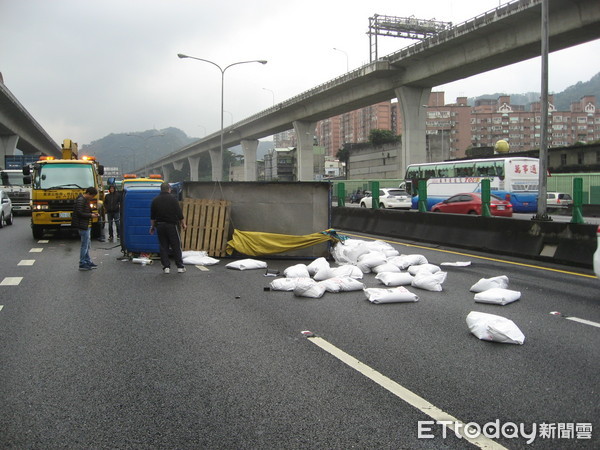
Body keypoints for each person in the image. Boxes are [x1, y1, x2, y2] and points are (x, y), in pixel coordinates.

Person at [149, 182, 187, 274]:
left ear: (161, 189)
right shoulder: (173, 200)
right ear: (169, 189)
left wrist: (152, 227)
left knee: (163, 246)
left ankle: (166, 267)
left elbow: (153, 217)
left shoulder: (155, 200)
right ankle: (180, 267)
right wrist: (183, 224)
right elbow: (179, 214)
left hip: (160, 226)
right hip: (171, 225)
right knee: (176, 245)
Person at [71, 186, 99, 271]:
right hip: (82, 225)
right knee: (85, 245)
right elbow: (79, 213)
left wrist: (93, 213)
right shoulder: (81, 200)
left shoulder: (85, 200)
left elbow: (85, 211)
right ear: (88, 194)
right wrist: (91, 215)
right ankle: (82, 263)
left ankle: (87, 261)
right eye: (92, 196)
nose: (92, 198)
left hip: (86, 224)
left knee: (87, 244)